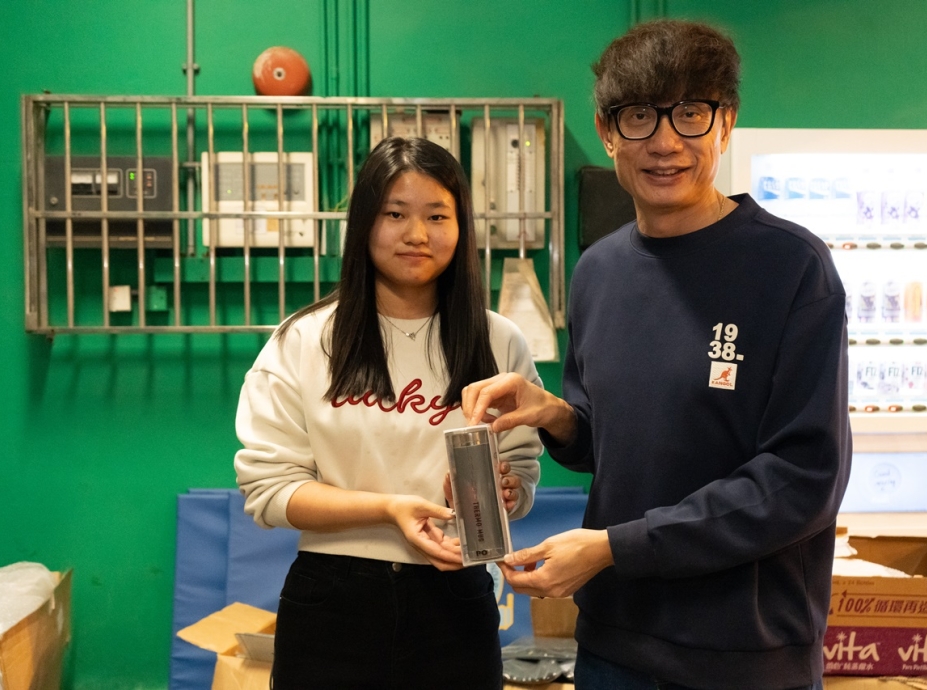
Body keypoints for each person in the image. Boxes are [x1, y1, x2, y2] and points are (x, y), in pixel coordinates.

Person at [462, 19, 851, 690]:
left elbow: (802, 479)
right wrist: (554, 414)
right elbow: (612, 445)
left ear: (725, 123)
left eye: (690, 113)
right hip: (614, 646)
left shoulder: (792, 268)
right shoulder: (598, 271)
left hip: (746, 657)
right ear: (607, 131)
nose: (666, 142)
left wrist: (615, 548)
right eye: (640, 116)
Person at [234, 137, 542, 689]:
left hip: (457, 601)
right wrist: (389, 508)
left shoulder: (500, 341)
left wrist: (504, 492)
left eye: (437, 216)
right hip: (331, 602)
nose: (417, 234)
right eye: (395, 214)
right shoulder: (303, 340)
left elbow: (520, 474)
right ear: (362, 224)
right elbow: (270, 491)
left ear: (461, 227)